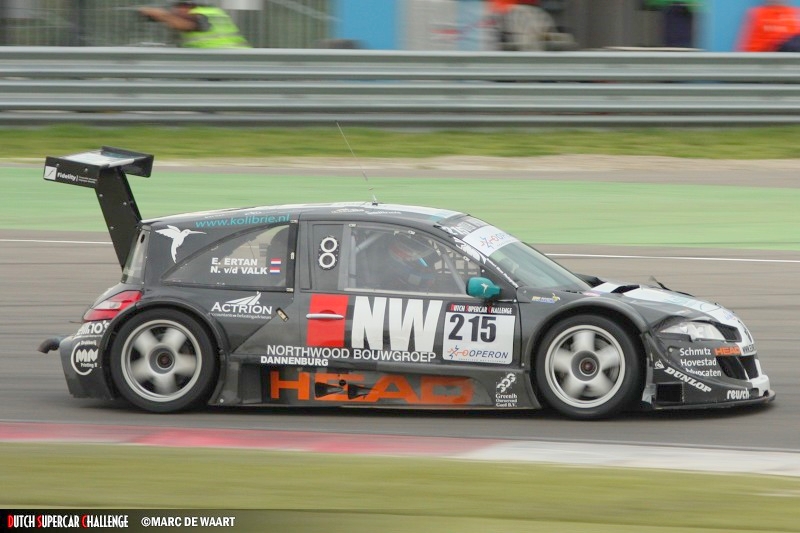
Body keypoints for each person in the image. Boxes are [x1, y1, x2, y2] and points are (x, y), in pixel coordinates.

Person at [139, 1, 251, 48]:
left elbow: (185, 24)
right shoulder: (214, 12)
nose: (177, 11)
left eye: (179, 7)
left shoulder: (201, 15)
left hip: (226, 64)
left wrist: (162, 15)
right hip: (228, 61)